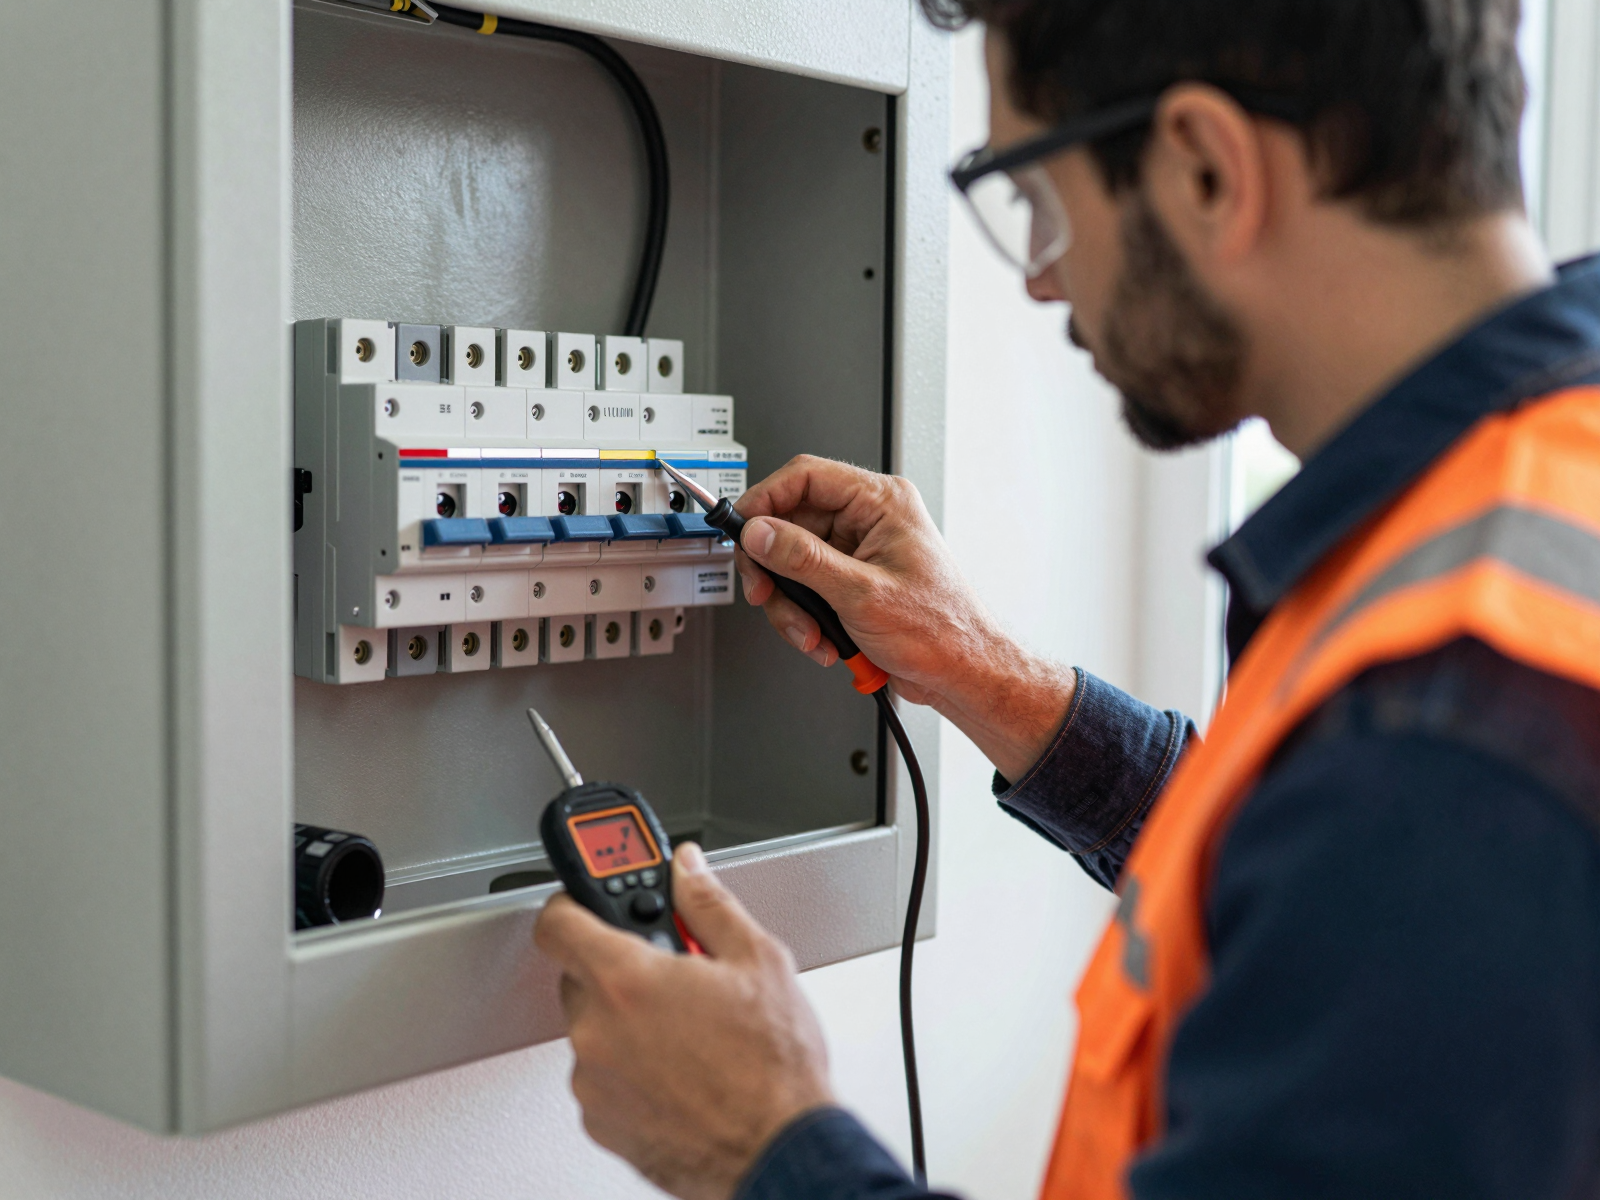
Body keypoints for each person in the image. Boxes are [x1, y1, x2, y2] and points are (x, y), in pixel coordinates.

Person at [535, 0, 1600, 1196]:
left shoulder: (1450, 732)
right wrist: (986, 675)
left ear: (1205, 166)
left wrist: (760, 1147)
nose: (1043, 282)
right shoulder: (1522, 512)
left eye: (1037, 199)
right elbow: (1315, 879)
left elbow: (1384, 836)